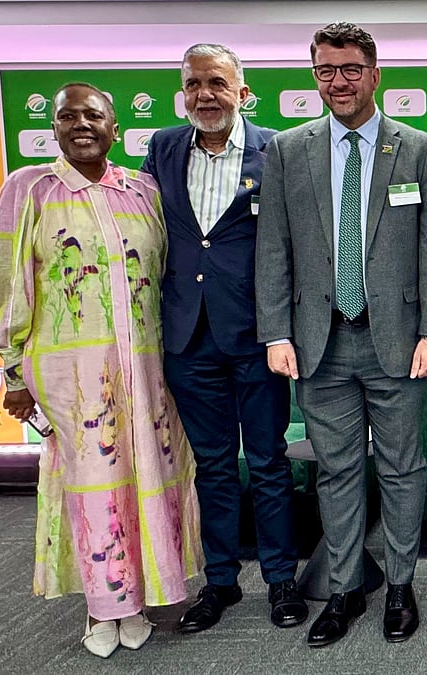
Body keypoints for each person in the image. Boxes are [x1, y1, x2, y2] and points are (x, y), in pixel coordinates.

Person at [0, 83, 202, 658]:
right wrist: (13, 373)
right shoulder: (29, 189)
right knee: (92, 491)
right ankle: (102, 608)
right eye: (67, 115)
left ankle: (144, 598)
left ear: (114, 128)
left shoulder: (141, 190)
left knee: (146, 481)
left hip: (146, 376)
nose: (80, 124)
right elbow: (1, 283)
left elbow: (170, 278)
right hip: (74, 380)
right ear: (54, 127)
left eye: (92, 115)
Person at [255, 22, 427, 647]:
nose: (336, 82)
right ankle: (344, 590)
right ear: (314, 76)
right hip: (318, 343)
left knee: (401, 469)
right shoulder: (288, 150)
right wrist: (274, 333)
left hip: (397, 341)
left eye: (348, 70)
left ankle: (399, 586)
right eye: (324, 71)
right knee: (336, 472)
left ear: (374, 73)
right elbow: (274, 249)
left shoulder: (417, 148)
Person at [140, 43, 306, 634]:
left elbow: (293, 243)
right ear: (182, 93)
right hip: (186, 337)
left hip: (259, 336)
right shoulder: (161, 147)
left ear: (242, 91)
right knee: (210, 466)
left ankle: (281, 580)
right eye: (193, 85)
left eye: (216, 83)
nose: (204, 95)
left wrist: (287, 326)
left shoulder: (279, 149)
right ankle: (219, 583)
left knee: (266, 462)